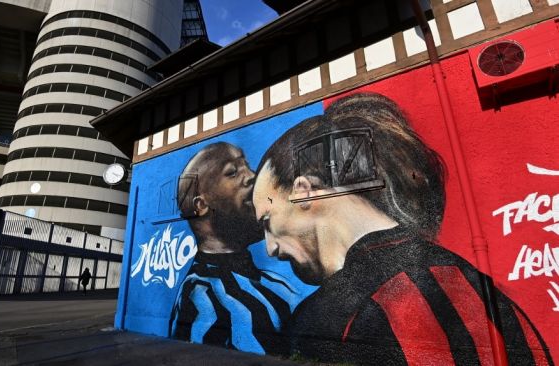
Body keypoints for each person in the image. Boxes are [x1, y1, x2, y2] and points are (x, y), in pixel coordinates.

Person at [252, 93, 553, 364]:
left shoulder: (322, 322)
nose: (270, 248)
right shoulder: (483, 290)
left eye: (267, 220)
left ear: (305, 192)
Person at [169, 142, 300, 355]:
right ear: (201, 205)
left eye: (247, 165)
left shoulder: (275, 283)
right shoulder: (201, 299)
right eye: (232, 172)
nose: (252, 176)